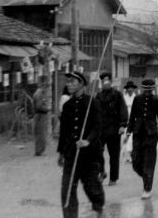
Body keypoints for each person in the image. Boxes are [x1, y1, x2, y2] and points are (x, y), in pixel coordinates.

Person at [58, 72, 104, 218]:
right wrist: (61, 153)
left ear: (82, 84)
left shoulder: (92, 102)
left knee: (92, 188)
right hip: (71, 154)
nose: (69, 84)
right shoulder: (67, 106)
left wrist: (87, 141)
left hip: (89, 155)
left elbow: (98, 127)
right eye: (68, 82)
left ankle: (98, 206)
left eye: (72, 81)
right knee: (67, 189)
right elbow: (64, 132)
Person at [126, 79, 158, 199]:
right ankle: (146, 178)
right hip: (138, 134)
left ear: (153, 89)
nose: (148, 92)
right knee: (135, 162)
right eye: (146, 89)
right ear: (142, 88)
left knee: (149, 163)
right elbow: (132, 116)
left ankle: (147, 189)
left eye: (150, 90)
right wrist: (129, 131)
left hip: (151, 135)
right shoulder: (137, 99)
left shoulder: (157, 101)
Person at [96, 72, 128, 186]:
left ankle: (113, 178)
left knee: (114, 154)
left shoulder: (117, 95)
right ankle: (101, 171)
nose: (105, 82)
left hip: (114, 128)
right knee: (97, 152)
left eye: (107, 80)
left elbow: (123, 110)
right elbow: (95, 112)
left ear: (110, 81)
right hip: (101, 129)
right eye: (103, 81)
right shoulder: (98, 96)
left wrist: (122, 125)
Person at [33, 75, 51, 156]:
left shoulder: (39, 93)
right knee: (41, 133)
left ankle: (39, 150)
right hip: (40, 115)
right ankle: (39, 150)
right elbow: (38, 106)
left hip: (40, 115)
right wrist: (47, 109)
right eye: (46, 86)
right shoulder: (39, 93)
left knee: (40, 133)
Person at [122, 80, 137, 162]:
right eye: (128, 88)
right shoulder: (124, 98)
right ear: (126, 89)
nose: (130, 89)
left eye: (131, 88)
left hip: (134, 120)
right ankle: (127, 155)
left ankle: (133, 154)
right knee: (126, 137)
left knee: (133, 138)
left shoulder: (136, 98)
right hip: (126, 120)